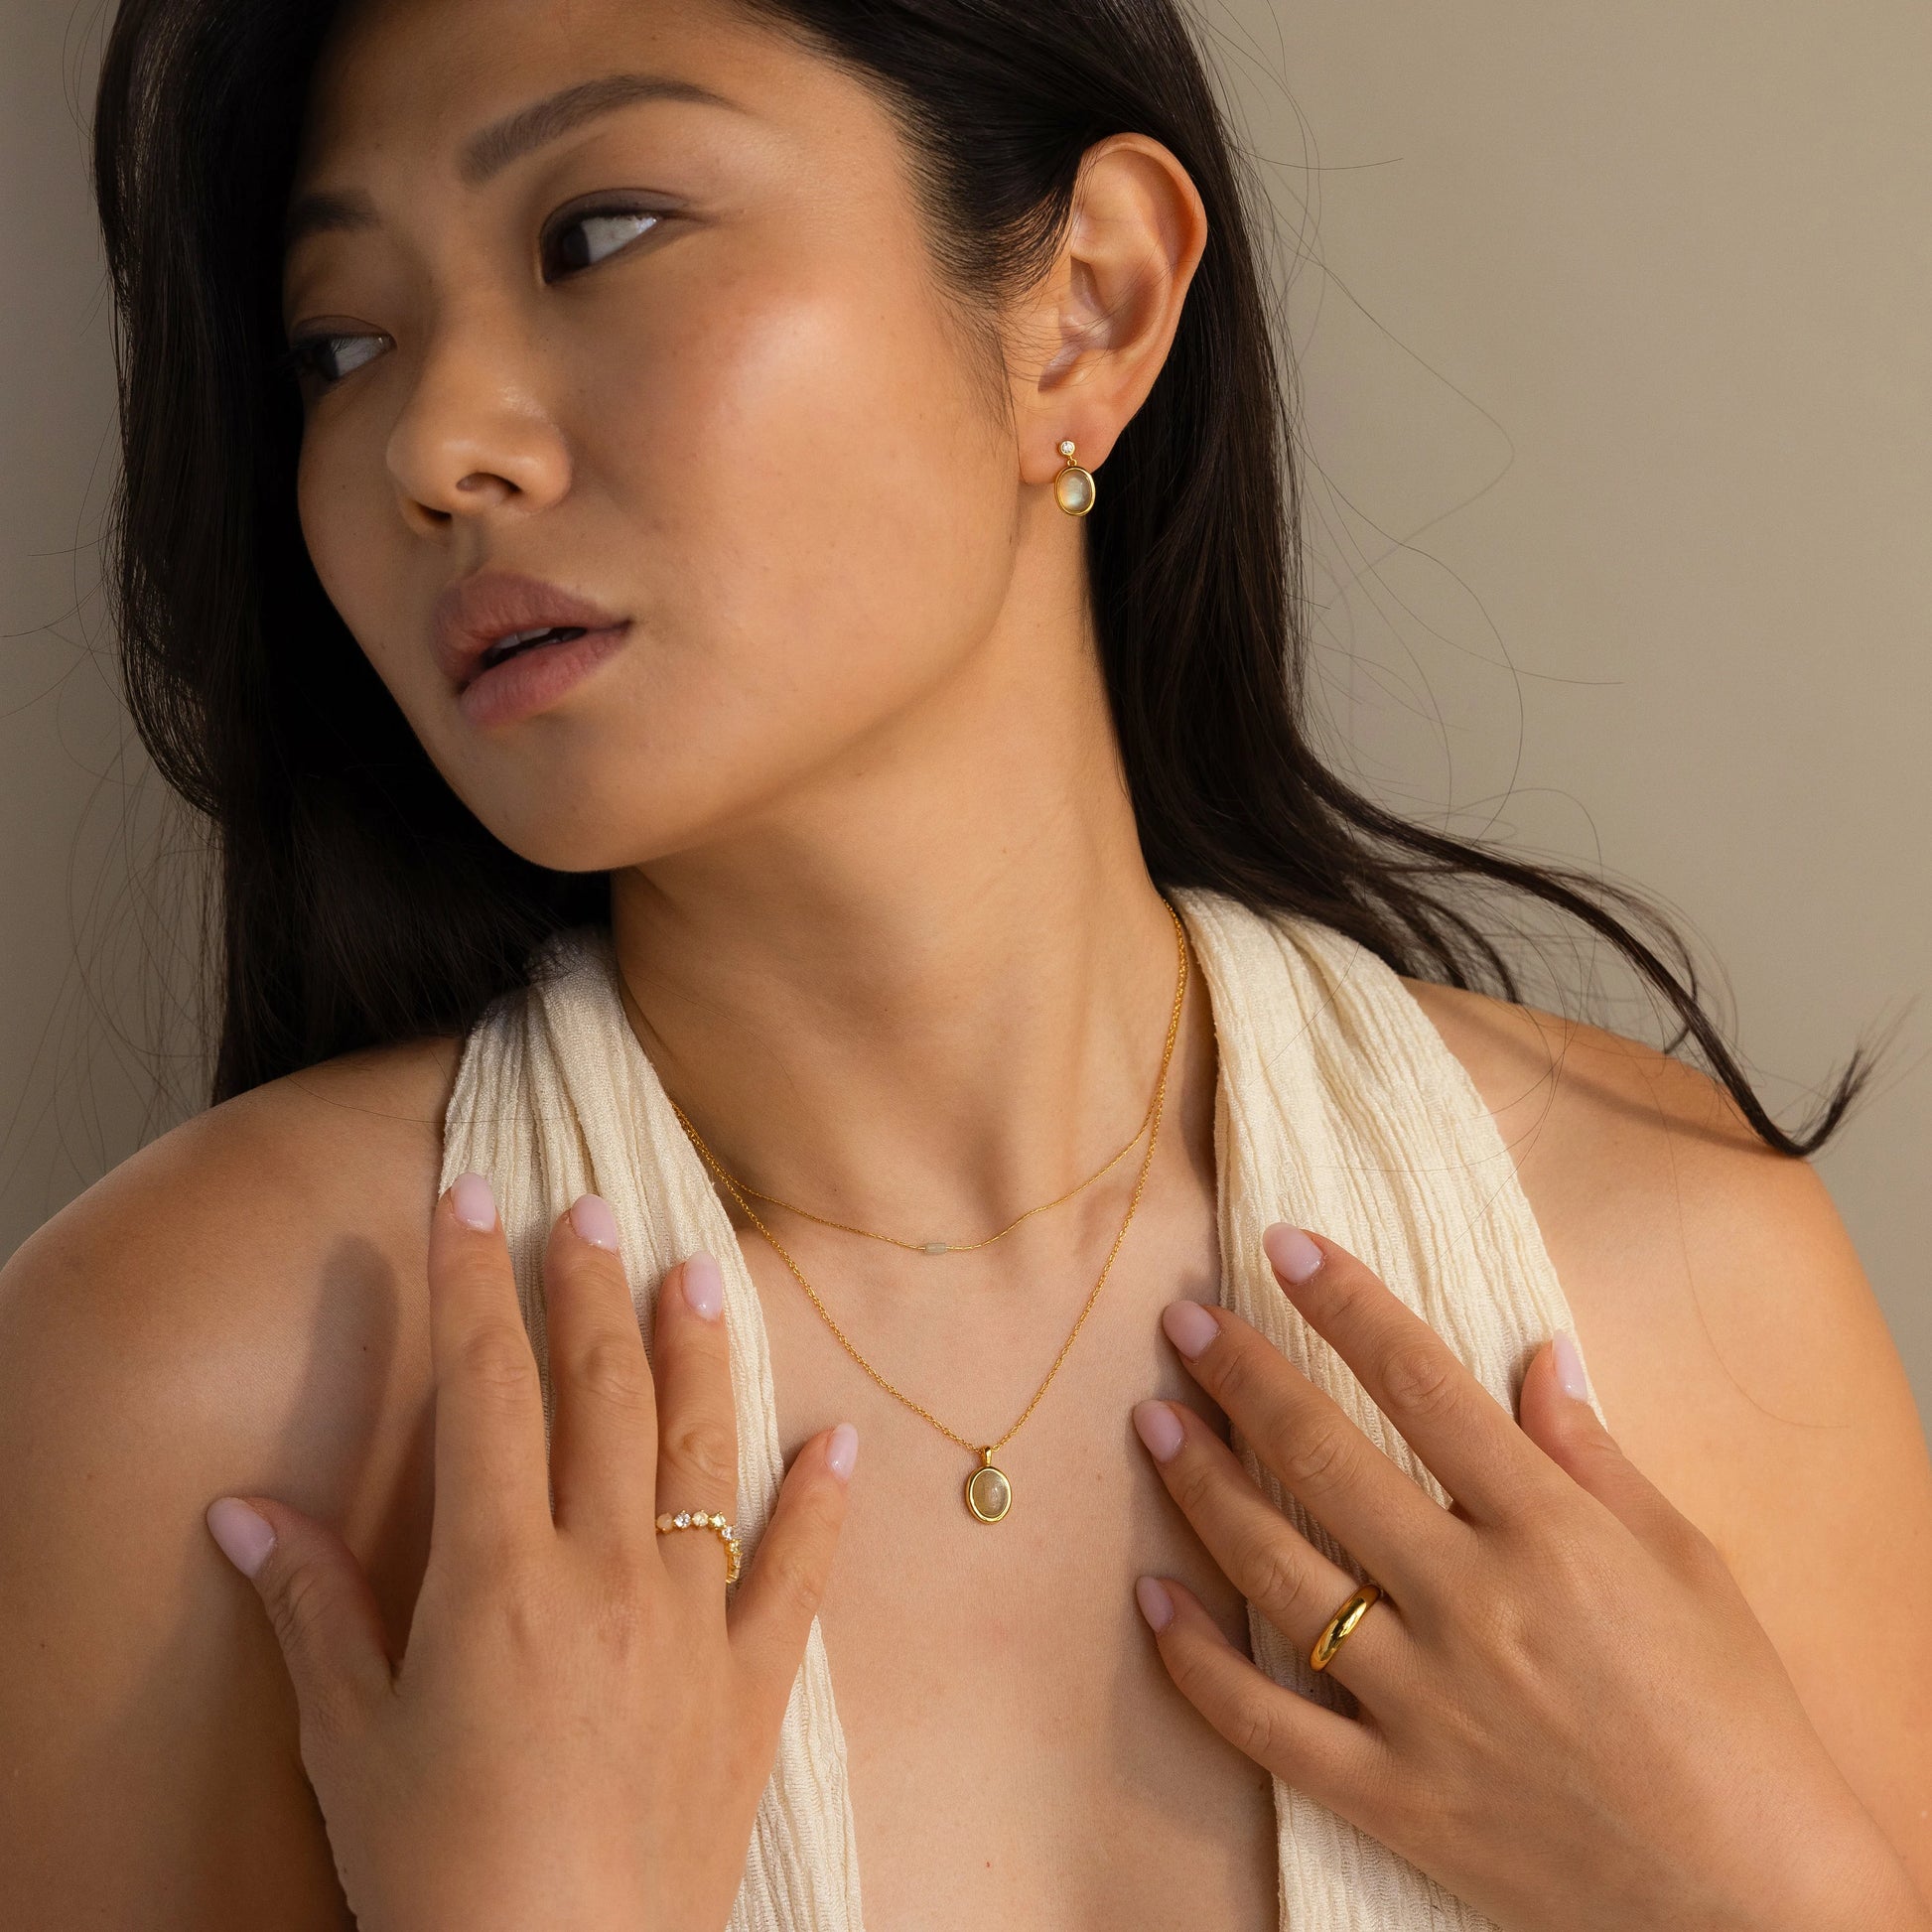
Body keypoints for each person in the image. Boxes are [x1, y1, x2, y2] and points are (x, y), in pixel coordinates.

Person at [1, 0, 1927, 1924]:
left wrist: (1761, 1886)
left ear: (1086, 305)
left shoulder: (1678, 1287)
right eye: (341, 348)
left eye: (597, 235)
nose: (431, 446)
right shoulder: (203, 1402)